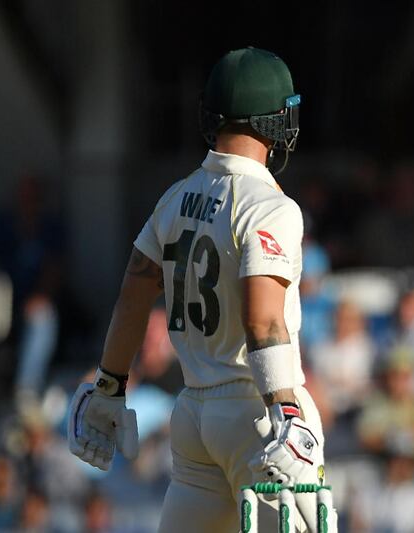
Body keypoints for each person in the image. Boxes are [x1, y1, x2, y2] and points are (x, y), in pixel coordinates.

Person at [66, 47, 332, 532]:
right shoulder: (270, 206)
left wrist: (109, 385)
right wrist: (288, 411)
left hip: (194, 415)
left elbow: (134, 291)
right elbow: (263, 319)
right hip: (257, 412)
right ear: (274, 119)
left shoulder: (176, 196)